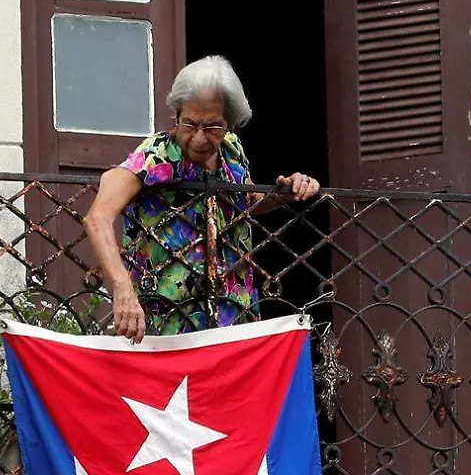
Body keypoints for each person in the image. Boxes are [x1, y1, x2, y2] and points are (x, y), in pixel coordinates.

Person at [83, 55, 322, 341]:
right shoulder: (157, 155)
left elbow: (244, 202)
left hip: (231, 311)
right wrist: (122, 288)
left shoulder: (232, 151)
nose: (198, 138)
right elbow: (98, 217)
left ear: (230, 124)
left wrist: (283, 193)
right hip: (170, 316)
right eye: (190, 124)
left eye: (212, 127)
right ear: (177, 115)